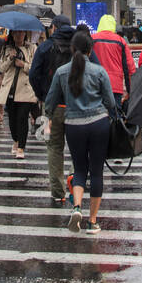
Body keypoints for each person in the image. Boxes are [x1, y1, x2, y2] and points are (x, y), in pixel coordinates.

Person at [44, 28, 116, 233]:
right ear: (90, 50)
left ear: (72, 49)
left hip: (73, 126)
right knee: (96, 172)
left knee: (79, 169)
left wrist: (48, 118)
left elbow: (50, 101)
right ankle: (93, 221)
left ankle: (76, 207)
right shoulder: (99, 71)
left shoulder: (62, 72)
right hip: (98, 124)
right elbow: (110, 101)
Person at [29, 16, 76, 203]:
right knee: (78, 148)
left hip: (52, 106)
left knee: (54, 148)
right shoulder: (79, 46)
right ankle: (75, 177)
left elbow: (34, 74)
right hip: (76, 106)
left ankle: (58, 193)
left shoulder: (45, 47)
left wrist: (42, 95)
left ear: (54, 27)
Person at [0, 29, 37, 159]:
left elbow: (35, 68)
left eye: (21, 33)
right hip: (10, 89)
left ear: (25, 34)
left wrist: (23, 65)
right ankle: (15, 140)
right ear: (12, 34)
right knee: (13, 119)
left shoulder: (32, 48)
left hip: (25, 89)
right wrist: (10, 58)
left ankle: (21, 148)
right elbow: (1, 68)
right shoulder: (7, 48)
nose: (18, 35)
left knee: (22, 118)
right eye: (16, 33)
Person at [90, 13, 136, 110]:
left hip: (95, 85)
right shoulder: (120, 41)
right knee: (115, 116)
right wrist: (130, 89)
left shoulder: (92, 39)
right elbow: (129, 67)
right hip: (115, 86)